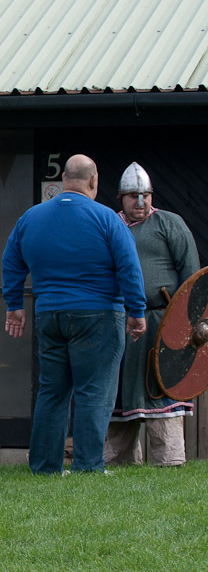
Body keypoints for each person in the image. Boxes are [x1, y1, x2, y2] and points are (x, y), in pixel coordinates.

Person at [2, 154, 146, 475]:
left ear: (64, 179)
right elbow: (128, 266)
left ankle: (45, 466)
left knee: (52, 391)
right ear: (93, 181)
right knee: (94, 391)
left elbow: (11, 261)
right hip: (100, 315)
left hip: (50, 314)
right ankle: (89, 466)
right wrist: (137, 311)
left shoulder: (31, 217)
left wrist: (14, 305)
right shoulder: (108, 218)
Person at [105, 162, 199, 467]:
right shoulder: (109, 225)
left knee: (162, 390)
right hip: (120, 324)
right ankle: (118, 460)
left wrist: (190, 324)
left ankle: (169, 460)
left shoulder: (170, 224)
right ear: (121, 197)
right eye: (133, 196)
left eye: (145, 195)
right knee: (118, 395)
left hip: (163, 325)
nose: (141, 202)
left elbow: (192, 280)